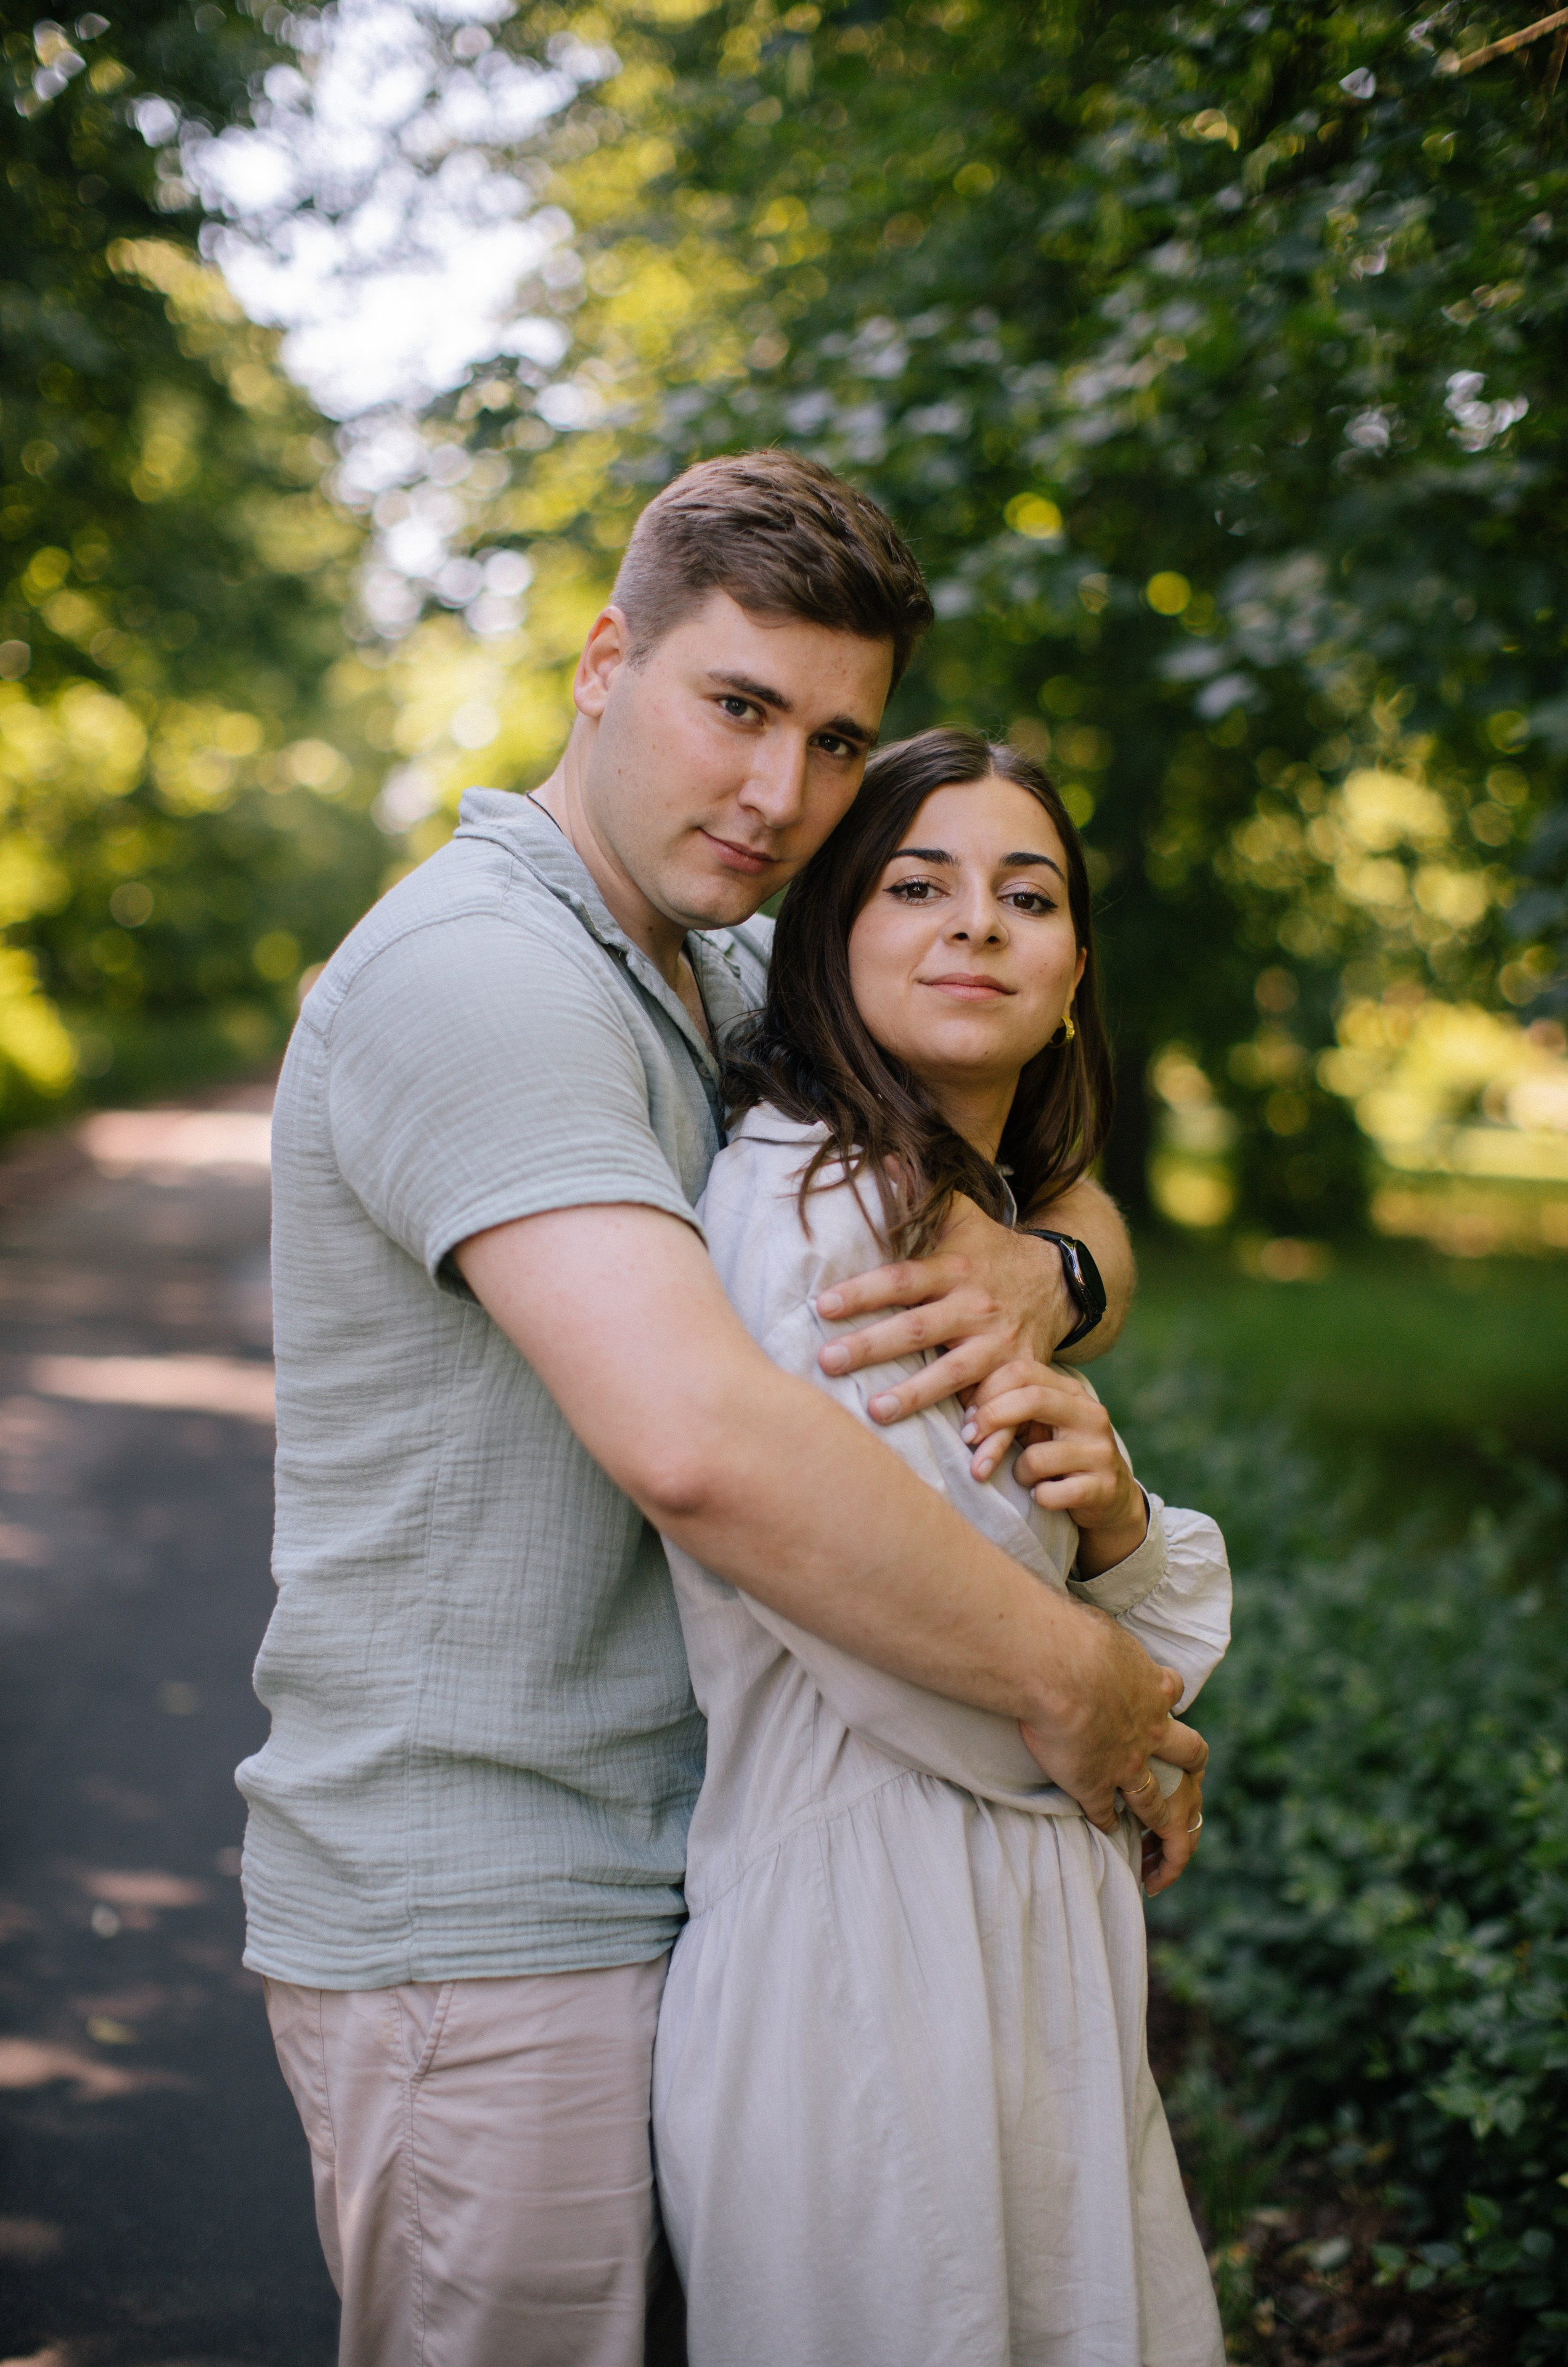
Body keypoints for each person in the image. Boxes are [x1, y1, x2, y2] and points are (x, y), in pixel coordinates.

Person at [237, 451, 1207, 2367]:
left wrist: (1051, 1269)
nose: (783, 796)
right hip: (492, 1913)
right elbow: (696, 1441)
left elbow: (1044, 1150)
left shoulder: (726, 949)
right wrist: (1085, 1678)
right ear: (607, 663)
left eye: (838, 743)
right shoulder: (481, 976)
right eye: (737, 708)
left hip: (710, 1871)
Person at [653, 728, 1230, 2366]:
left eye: (1027, 897)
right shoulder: (818, 1219)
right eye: (918, 886)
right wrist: (1131, 1720)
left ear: (1074, 974)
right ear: (828, 937)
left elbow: (1066, 1632)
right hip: (869, 1961)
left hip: (1020, 1940)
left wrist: (1117, 1522)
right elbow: (972, 1695)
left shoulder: (978, 1227)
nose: (978, 921)